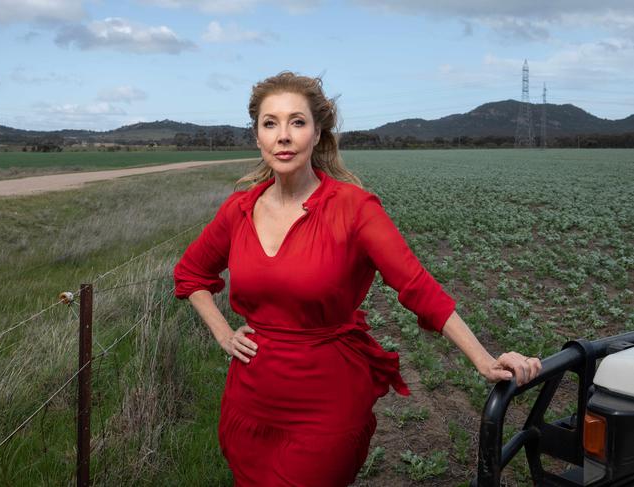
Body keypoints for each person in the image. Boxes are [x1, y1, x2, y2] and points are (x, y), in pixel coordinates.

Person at [173, 71, 542, 487]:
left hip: (324, 405)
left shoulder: (354, 208)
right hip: (250, 401)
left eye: (297, 122)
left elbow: (416, 286)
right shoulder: (237, 210)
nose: (283, 135)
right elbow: (191, 273)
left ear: (317, 134)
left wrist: (484, 358)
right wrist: (222, 333)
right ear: (257, 137)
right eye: (270, 123)